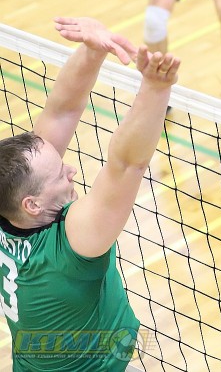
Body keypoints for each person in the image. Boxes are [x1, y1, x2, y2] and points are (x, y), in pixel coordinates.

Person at [0, 18, 180, 371]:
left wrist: (92, 51)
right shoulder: (72, 246)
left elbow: (61, 111)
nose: (70, 170)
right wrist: (156, 89)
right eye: (59, 174)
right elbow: (127, 165)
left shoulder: (8, 202)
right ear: (32, 204)